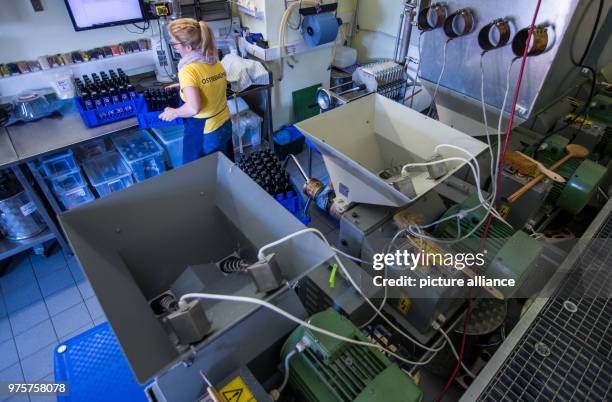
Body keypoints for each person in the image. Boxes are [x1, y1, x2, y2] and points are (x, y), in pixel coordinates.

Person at [158, 18, 232, 163]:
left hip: (205, 130)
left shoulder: (188, 70)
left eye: (175, 43)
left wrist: (173, 112)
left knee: (202, 172)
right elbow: (208, 84)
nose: (174, 46)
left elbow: (193, 108)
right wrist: (184, 86)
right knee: (222, 167)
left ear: (188, 46)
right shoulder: (214, 62)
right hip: (224, 123)